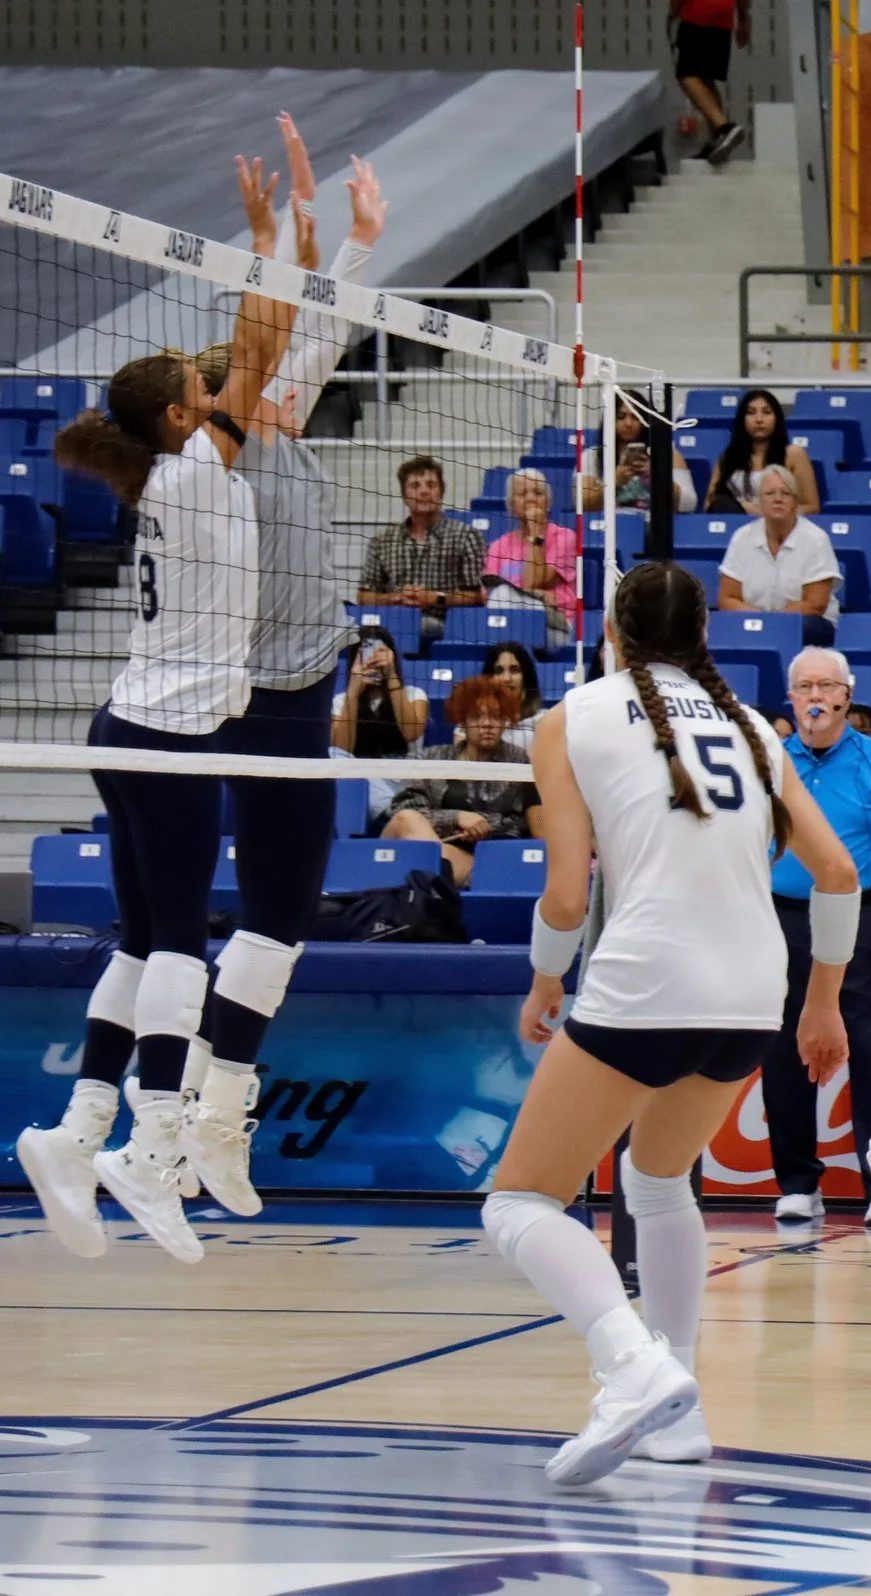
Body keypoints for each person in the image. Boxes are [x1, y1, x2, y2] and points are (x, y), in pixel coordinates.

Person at [483, 559, 857, 1486]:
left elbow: (567, 896)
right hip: (753, 988)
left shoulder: (573, 717)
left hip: (652, 974)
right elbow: (840, 873)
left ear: (613, 633)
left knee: (519, 1203)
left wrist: (543, 981)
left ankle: (631, 1364)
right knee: (656, 1182)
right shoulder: (754, 728)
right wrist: (821, 1001)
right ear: (705, 635)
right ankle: (677, 1411)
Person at [17, 147, 298, 1265]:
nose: (221, 393)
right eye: (203, 390)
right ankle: (153, 1145)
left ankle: (75, 1130)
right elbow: (258, 350)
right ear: (184, 415)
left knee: (140, 940)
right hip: (170, 739)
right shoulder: (191, 473)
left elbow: (259, 356)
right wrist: (263, 245)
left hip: (127, 726)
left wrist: (275, 258)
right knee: (181, 938)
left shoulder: (177, 475)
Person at [183, 122, 390, 1221]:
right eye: (261, 374)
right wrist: (274, 244)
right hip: (254, 699)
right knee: (233, 919)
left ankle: (212, 1107)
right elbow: (272, 333)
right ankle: (181, 1114)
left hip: (300, 700)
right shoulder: (222, 454)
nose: (285, 376)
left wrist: (341, 239)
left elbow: (321, 327)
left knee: (279, 922)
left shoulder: (282, 422)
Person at [762, 648, 871, 1229]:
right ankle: (798, 1184)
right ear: (790, 698)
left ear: (847, 697)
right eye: (805, 686)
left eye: (827, 686)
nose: (816, 696)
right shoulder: (770, 763)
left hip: (861, 917)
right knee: (782, 1051)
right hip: (782, 918)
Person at [381, 676, 542, 888]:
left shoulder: (517, 760)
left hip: (487, 859)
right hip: (433, 846)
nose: (487, 724)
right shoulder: (433, 758)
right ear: (462, 722)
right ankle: (437, 880)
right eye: (477, 716)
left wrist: (482, 825)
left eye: (496, 717)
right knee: (405, 819)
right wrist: (456, 818)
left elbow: (521, 821)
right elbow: (406, 807)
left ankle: (436, 884)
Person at [358, 454, 485, 639]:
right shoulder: (382, 541)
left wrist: (435, 597)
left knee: (418, 626)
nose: (424, 491)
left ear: (441, 493)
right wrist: (395, 598)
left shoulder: (466, 536)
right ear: (404, 496)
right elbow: (364, 596)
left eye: (431, 485)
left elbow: (477, 596)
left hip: (446, 625)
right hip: (393, 622)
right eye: (415, 486)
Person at [718, 464, 838, 645]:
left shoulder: (816, 539)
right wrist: (761, 621)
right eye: (770, 493)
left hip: (804, 623)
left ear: (795, 501)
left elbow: (816, 605)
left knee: (805, 628)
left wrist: (772, 624)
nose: (778, 499)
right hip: (755, 621)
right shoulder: (742, 537)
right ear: (759, 501)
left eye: (785, 493)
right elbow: (727, 599)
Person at [484, 468, 582, 647]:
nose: (530, 499)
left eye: (537, 493)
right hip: (510, 622)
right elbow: (488, 595)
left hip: (552, 625)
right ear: (511, 505)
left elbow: (533, 580)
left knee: (503, 593)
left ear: (548, 502)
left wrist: (536, 534)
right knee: (500, 594)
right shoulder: (498, 546)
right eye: (522, 494)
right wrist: (536, 594)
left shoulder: (565, 537)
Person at [581, 388, 695, 513]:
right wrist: (613, 482)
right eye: (621, 417)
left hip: (652, 523)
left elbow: (689, 504)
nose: (628, 423)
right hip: (610, 523)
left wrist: (658, 475)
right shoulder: (592, 456)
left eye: (635, 417)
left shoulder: (668, 454)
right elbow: (582, 504)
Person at [705, 388, 816, 515]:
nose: (759, 419)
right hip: (733, 521)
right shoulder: (727, 457)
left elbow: (812, 507)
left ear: (777, 418)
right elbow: (709, 504)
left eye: (766, 412)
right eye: (751, 413)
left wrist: (765, 512)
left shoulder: (794, 454)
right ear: (742, 419)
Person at [671, 0, 751, 164]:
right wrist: (743, 20)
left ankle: (724, 128)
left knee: (686, 75)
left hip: (697, 14)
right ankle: (715, 142)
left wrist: (674, 11)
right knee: (706, 80)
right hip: (724, 19)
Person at [331, 628, 427, 757]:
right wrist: (353, 694)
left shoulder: (414, 694)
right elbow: (341, 751)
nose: (373, 659)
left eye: (380, 652)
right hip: (358, 768)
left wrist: (391, 676)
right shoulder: (341, 701)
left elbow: (411, 734)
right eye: (366, 654)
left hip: (404, 767)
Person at [479, 640, 550, 757]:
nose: (506, 678)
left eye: (515, 670)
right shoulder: (472, 721)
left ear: (526, 678)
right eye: (499, 671)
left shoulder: (545, 721)